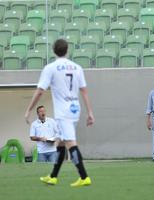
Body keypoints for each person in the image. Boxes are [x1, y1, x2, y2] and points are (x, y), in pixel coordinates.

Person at [25, 39, 95, 186]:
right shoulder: (77, 67)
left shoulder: (51, 68)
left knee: (70, 143)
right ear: (67, 50)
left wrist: (29, 109)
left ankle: (84, 177)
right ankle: (53, 176)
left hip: (63, 112)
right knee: (61, 143)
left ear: (53, 50)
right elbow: (84, 91)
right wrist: (89, 112)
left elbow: (40, 91)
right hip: (75, 108)